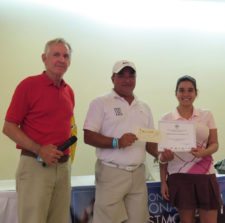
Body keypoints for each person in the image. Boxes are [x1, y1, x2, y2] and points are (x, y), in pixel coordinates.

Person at [83, 60, 168, 223]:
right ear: (113, 78)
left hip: (138, 174)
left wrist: (162, 154)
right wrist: (117, 142)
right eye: (121, 75)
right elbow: (88, 136)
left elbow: (150, 143)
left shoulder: (144, 107)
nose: (127, 80)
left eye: (131, 75)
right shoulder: (100, 103)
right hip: (111, 172)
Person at [2, 38, 75, 223]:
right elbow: (8, 127)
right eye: (56, 54)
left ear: (70, 61)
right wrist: (39, 149)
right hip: (35, 166)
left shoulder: (69, 92)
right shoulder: (28, 85)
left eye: (65, 56)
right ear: (44, 58)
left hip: (63, 168)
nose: (61, 59)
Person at [160, 75, 221, 223]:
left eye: (190, 90)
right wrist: (163, 182)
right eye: (181, 90)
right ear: (176, 93)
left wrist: (204, 152)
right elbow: (162, 156)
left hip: (206, 174)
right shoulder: (166, 119)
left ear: (196, 93)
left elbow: (214, 144)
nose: (185, 94)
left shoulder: (207, 115)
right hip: (180, 176)